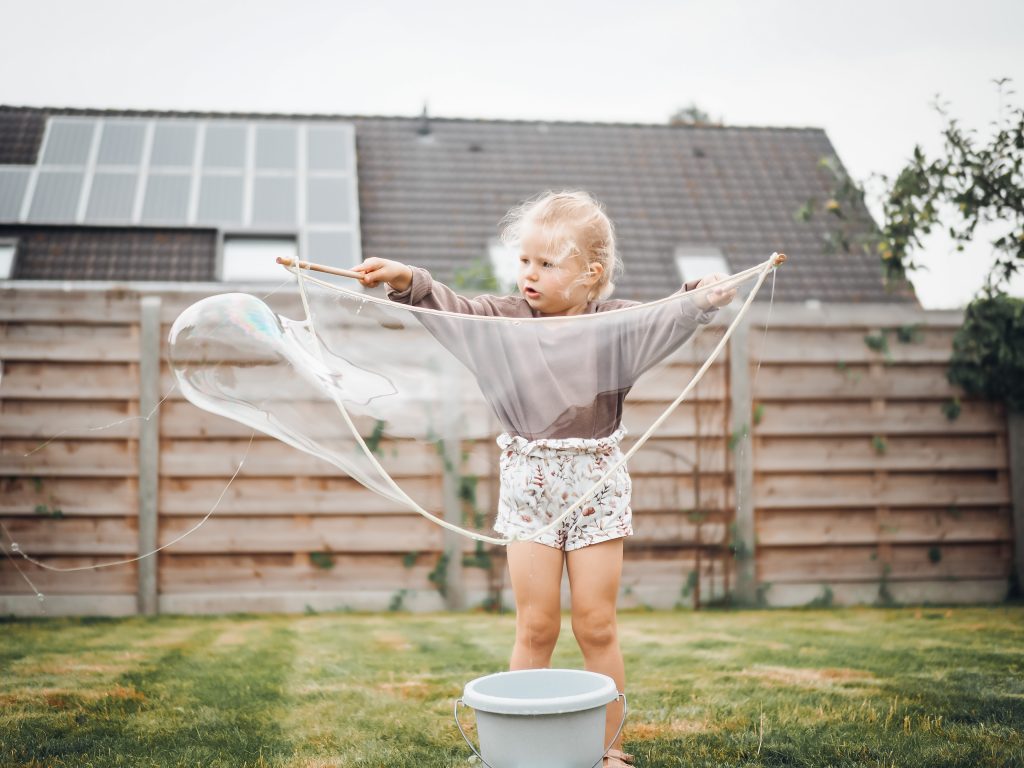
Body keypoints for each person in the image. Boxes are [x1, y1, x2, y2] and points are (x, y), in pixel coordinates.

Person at [353, 190, 735, 767]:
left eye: (547, 263)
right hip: (529, 488)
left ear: (591, 274)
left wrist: (700, 297)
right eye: (525, 260)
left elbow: (666, 316)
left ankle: (609, 748)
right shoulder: (501, 323)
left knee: (597, 625)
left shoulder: (615, 326)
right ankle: (519, 749)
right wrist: (409, 279)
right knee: (535, 626)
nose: (528, 273)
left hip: (596, 488)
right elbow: (451, 309)